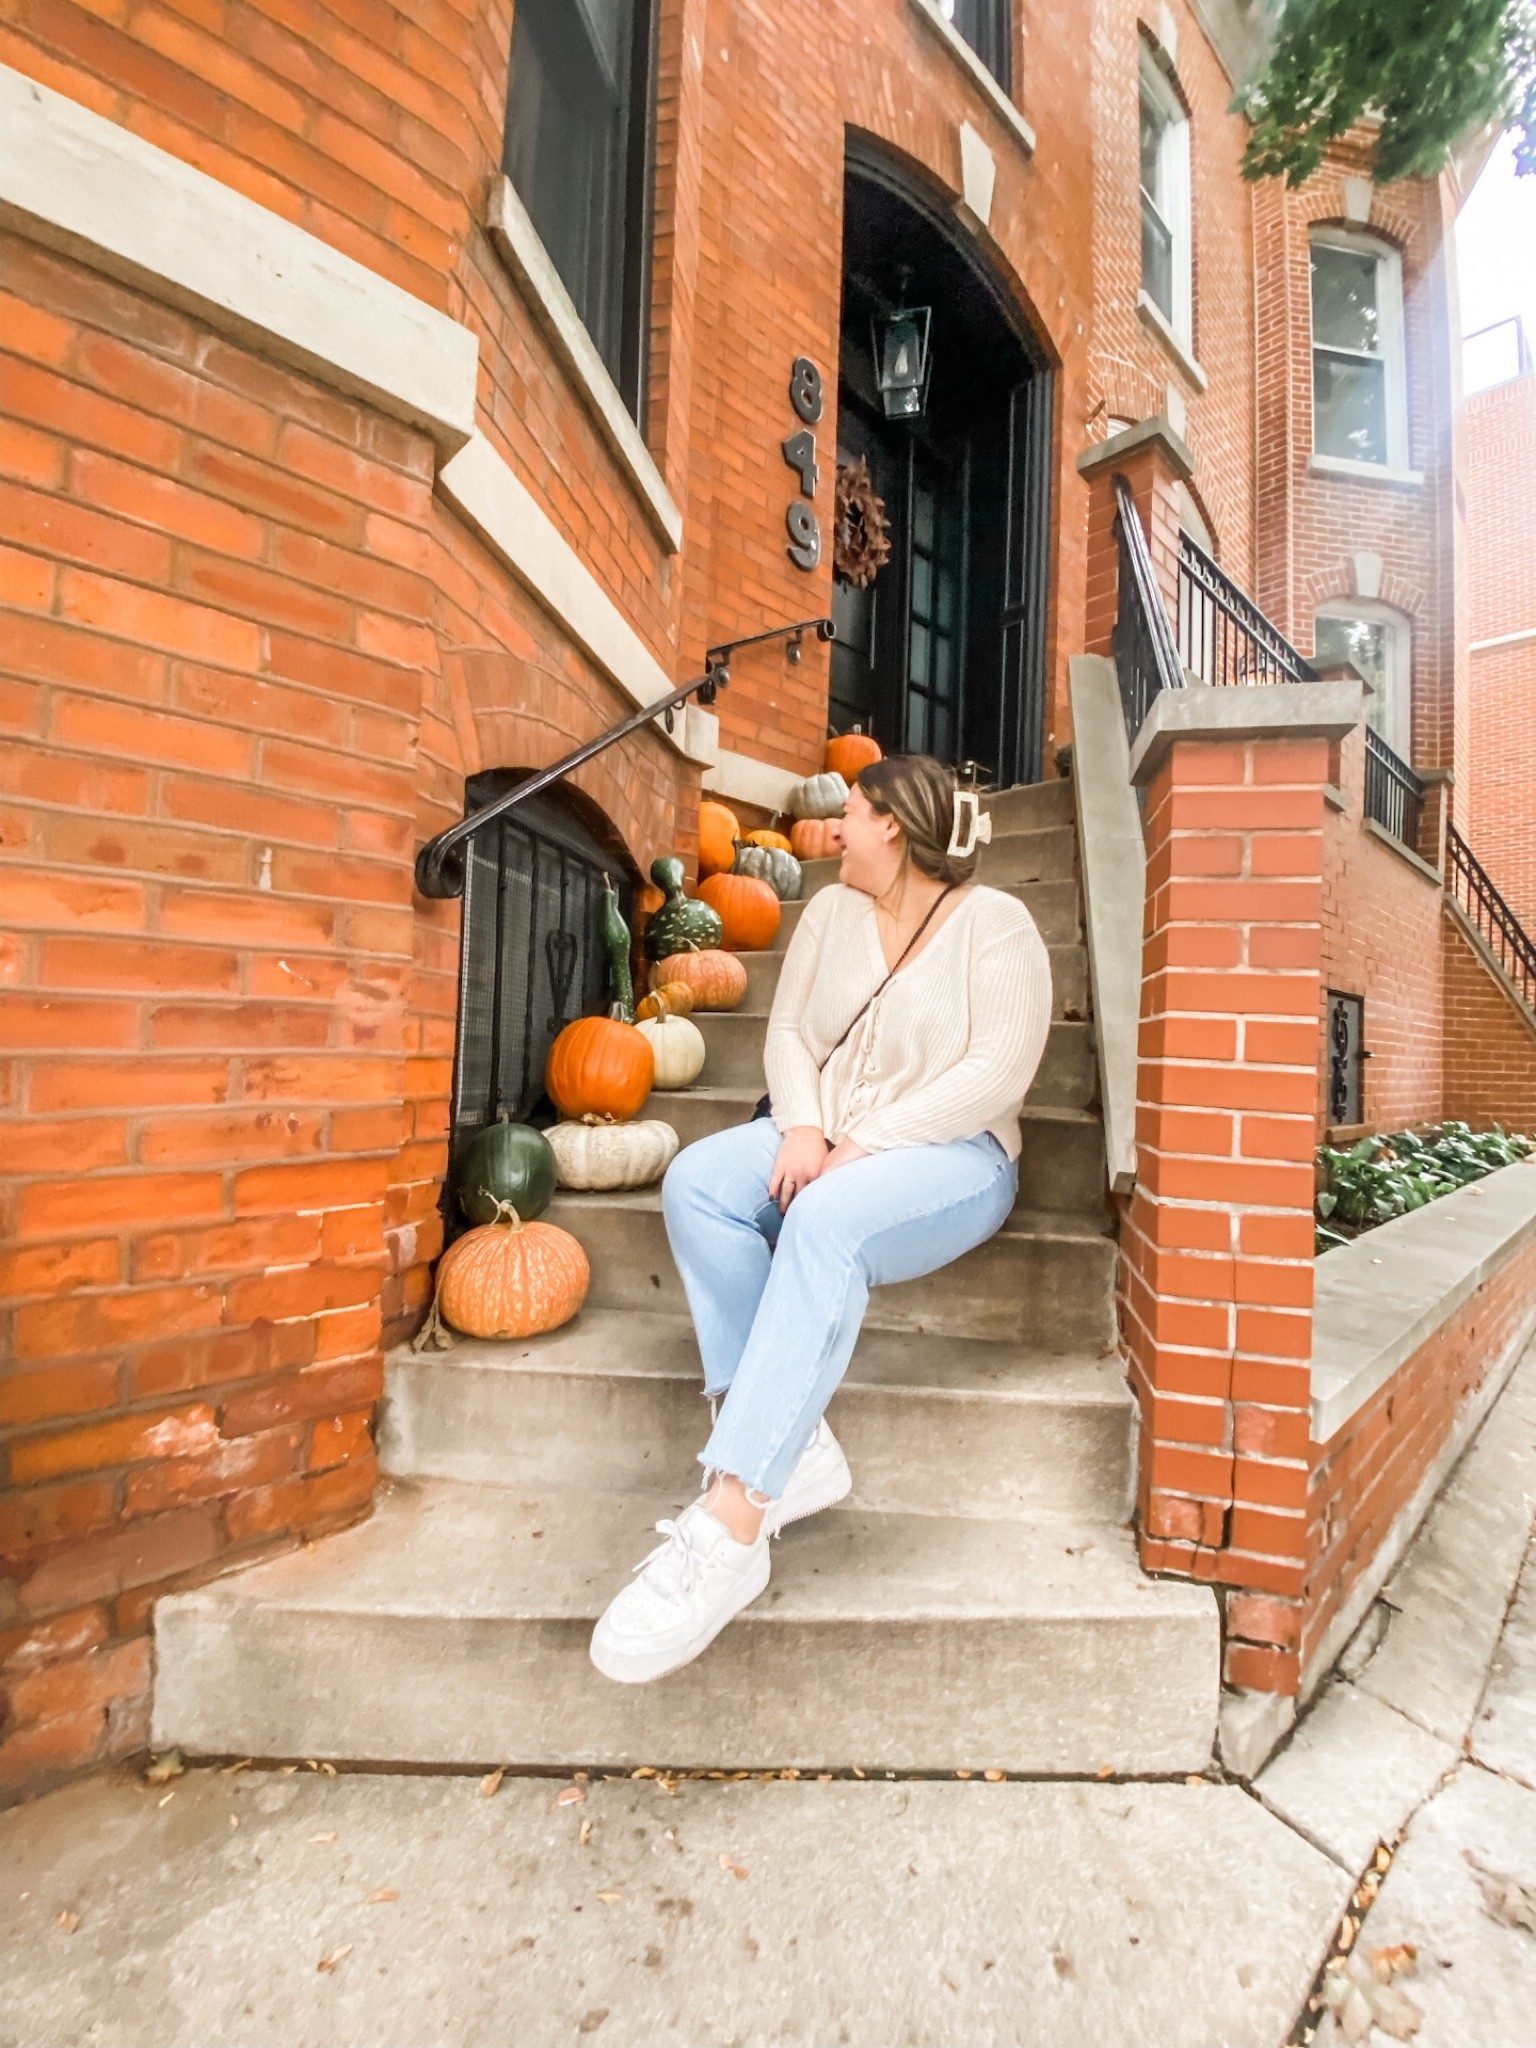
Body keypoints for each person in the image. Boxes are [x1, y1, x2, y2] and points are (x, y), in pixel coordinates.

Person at [590, 754, 1054, 1683]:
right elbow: (790, 1034)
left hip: (954, 1157)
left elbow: (996, 1074)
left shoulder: (998, 927)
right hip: (827, 1131)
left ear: (895, 825)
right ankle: (787, 1439)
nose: (834, 829)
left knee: (825, 1219)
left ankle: (734, 1517)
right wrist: (803, 1125)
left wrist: (866, 1142)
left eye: (851, 813)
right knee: (697, 1185)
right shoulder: (831, 914)